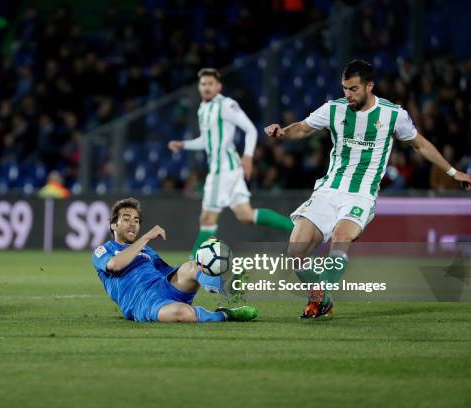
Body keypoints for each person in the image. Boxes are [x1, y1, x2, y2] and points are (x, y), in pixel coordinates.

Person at [264, 60, 471, 318]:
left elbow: (420, 145)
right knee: (296, 251)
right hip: (329, 189)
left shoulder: (393, 114)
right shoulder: (334, 109)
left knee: (341, 238)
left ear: (369, 86)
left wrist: (452, 171)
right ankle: (321, 297)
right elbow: (303, 128)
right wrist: (282, 132)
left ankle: (319, 299)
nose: (348, 95)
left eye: (353, 89)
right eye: (344, 89)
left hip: (361, 194)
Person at [168, 68, 293, 259]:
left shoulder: (226, 105)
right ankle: (299, 231)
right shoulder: (203, 108)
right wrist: (183, 144)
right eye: (203, 84)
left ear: (219, 86)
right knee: (246, 215)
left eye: (210, 84)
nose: (206, 87)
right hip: (227, 169)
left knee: (207, 218)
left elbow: (250, 129)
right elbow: (206, 140)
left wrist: (248, 156)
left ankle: (192, 265)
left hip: (223, 170)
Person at [92, 197, 259, 323]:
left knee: (194, 267)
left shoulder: (147, 251)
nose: (133, 224)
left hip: (163, 286)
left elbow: (169, 271)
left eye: (136, 220)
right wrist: (146, 237)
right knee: (183, 313)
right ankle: (225, 314)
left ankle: (222, 286)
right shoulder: (103, 250)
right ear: (113, 225)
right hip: (142, 302)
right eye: (126, 219)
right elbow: (115, 265)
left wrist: (206, 259)